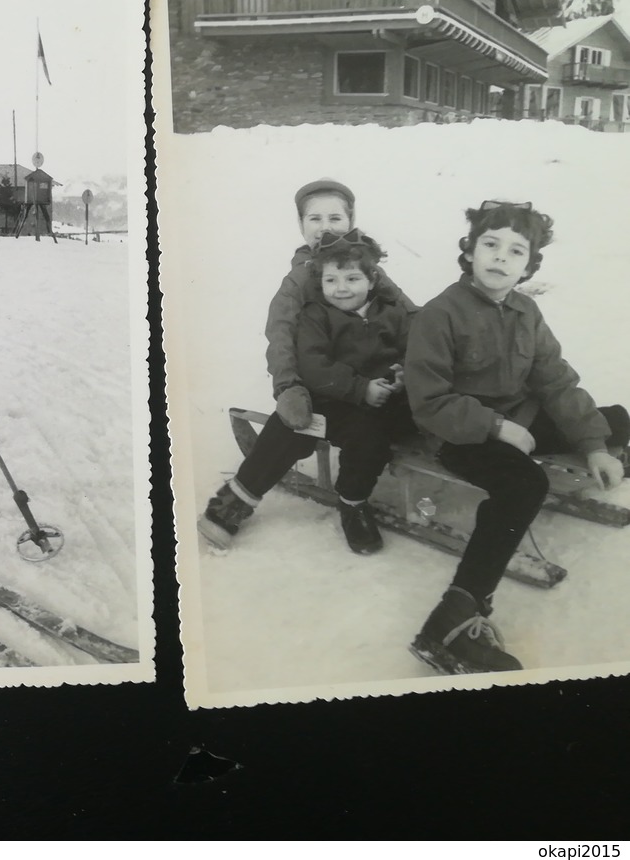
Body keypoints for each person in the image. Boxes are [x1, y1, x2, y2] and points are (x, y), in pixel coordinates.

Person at [405, 201, 628, 675]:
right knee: (524, 484)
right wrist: (497, 428)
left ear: (529, 265)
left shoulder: (527, 311)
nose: (500, 257)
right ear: (469, 251)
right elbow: (428, 402)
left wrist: (594, 446)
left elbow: (556, 384)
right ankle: (452, 620)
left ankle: (607, 456)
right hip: (459, 435)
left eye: (515, 250)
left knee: (614, 419)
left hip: (518, 418)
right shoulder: (439, 314)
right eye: (490, 244)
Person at [200, 231, 414, 554]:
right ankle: (237, 497)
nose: (341, 288)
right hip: (329, 400)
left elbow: (414, 348)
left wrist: (401, 373)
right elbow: (314, 365)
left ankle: (353, 503)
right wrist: (360, 388)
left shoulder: (392, 313)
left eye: (352, 278)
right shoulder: (317, 315)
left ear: (373, 280)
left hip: (376, 407)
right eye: (331, 280)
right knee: (289, 426)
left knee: (372, 440)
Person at [265, 179, 415, 432]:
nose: (325, 229)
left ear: (350, 221)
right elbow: (281, 333)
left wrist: (412, 364)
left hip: (369, 379)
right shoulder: (298, 280)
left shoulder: (366, 269)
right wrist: (287, 387)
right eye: (315, 219)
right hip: (322, 380)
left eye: (335, 218)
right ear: (301, 224)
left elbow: (408, 311)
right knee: (284, 431)